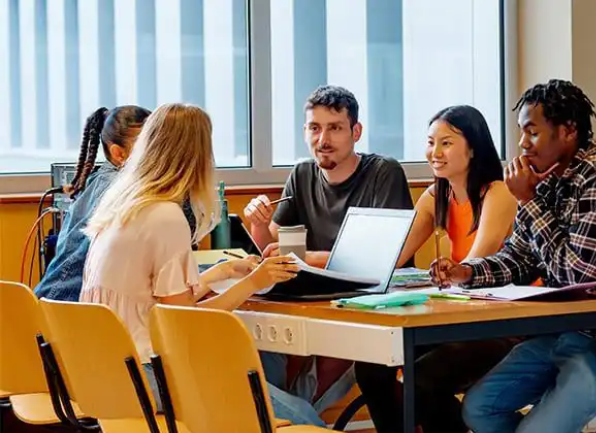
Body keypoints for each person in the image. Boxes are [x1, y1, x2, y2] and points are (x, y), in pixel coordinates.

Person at [432, 80, 596, 433]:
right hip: (561, 330)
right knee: (479, 409)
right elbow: (519, 256)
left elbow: (577, 274)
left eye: (533, 132)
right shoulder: (545, 178)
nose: (522, 143)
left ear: (568, 131)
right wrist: (465, 272)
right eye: (521, 132)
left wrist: (528, 201)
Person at [79, 103, 326, 426]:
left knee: (267, 385)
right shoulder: (165, 217)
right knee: (305, 418)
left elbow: (154, 305)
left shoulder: (121, 207)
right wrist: (254, 282)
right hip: (148, 375)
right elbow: (184, 323)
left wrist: (219, 273)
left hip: (107, 373)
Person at [243, 85, 414, 417]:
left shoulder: (383, 172)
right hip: (311, 302)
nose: (323, 139)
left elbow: (379, 259)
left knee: (310, 379)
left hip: (368, 305)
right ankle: (288, 417)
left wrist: (305, 259)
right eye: (314, 128)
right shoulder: (302, 173)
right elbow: (271, 250)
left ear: (356, 132)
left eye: (335, 128)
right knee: (267, 353)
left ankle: (293, 417)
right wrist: (258, 223)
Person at [353, 105, 518, 433]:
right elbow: (391, 255)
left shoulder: (498, 192)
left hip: (505, 323)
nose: (435, 152)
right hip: (458, 320)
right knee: (370, 366)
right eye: (431, 142)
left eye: (447, 143)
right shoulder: (436, 195)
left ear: (473, 148)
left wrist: (452, 271)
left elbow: (476, 265)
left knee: (424, 378)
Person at [35, 106, 152, 302]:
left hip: (51, 299)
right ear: (119, 154)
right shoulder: (119, 189)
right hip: (65, 305)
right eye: (150, 145)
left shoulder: (101, 178)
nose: (159, 152)